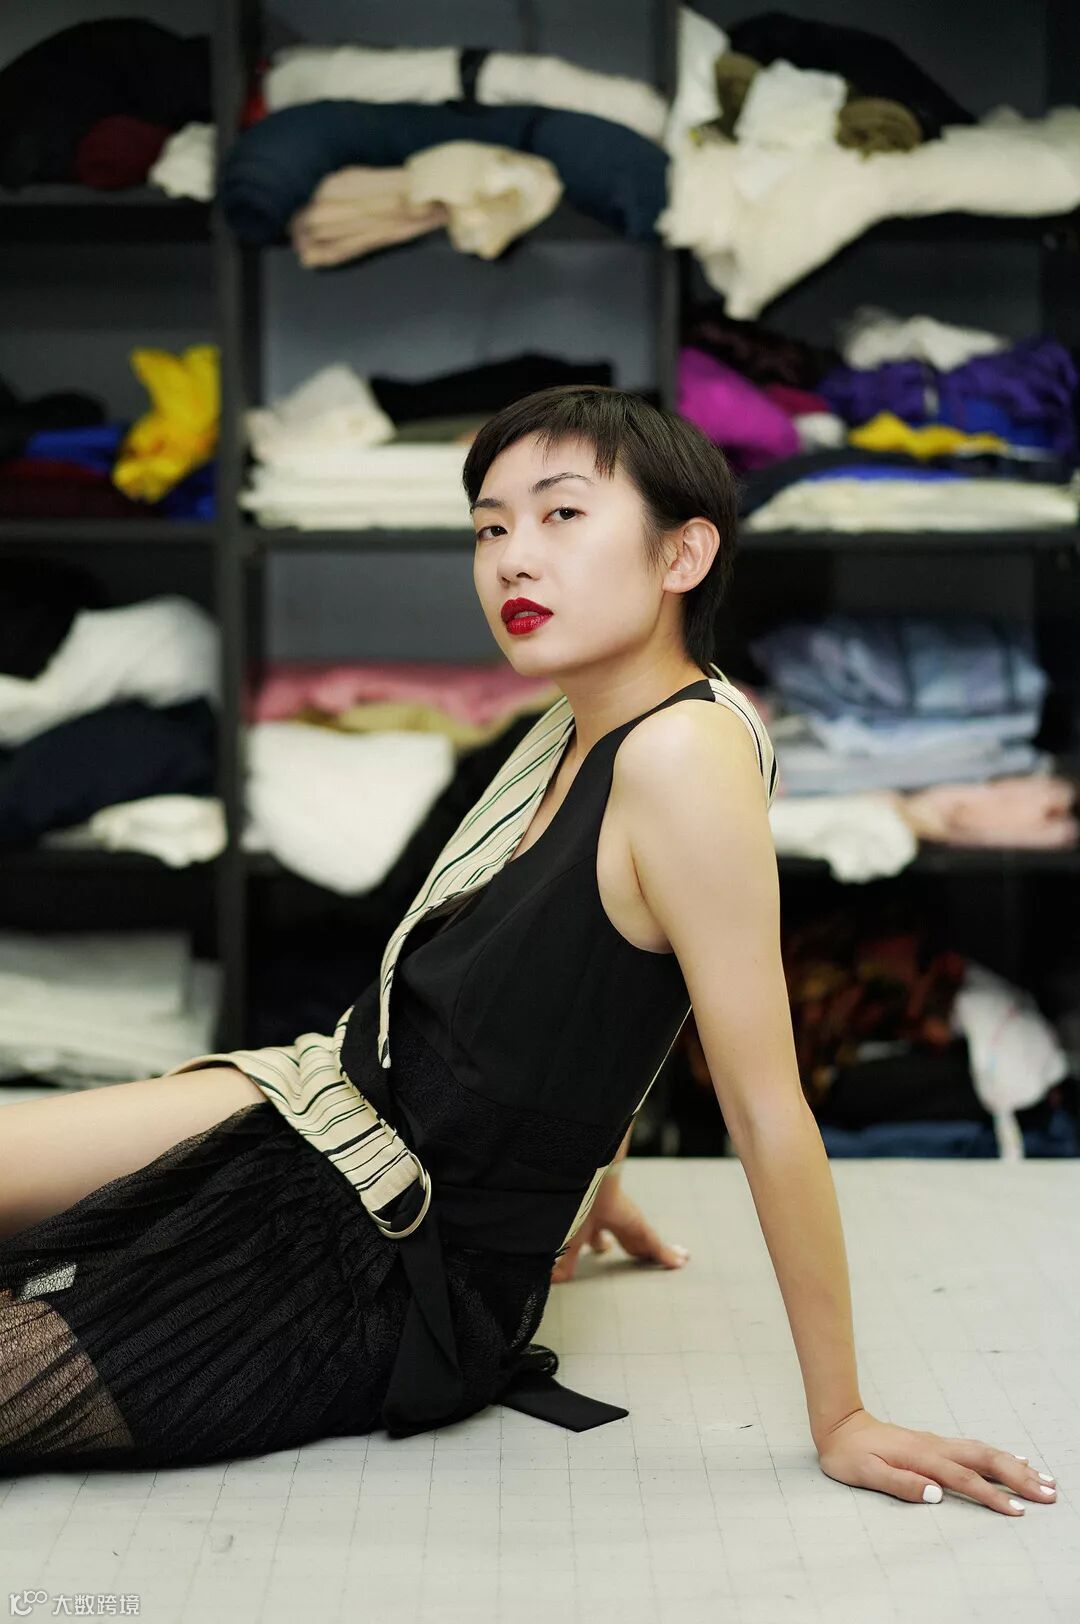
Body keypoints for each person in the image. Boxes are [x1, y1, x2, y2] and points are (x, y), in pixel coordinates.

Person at [0, 386, 1057, 1518]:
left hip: (376, 1248)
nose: (512, 557)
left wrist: (842, 1415)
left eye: (561, 515)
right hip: (321, 1104)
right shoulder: (576, 724)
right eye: (489, 527)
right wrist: (592, 1172)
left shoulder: (684, 757)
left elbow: (764, 1104)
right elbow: (608, 984)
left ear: (683, 554)